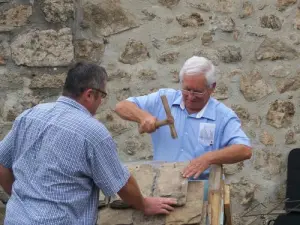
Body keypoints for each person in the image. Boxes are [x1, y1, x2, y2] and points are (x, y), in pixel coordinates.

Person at [0, 62, 176, 225]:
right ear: (90, 94)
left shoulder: (29, 115)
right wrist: (144, 205)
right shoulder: (93, 133)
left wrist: (20, 199)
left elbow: (2, 164)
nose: (101, 103)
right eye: (102, 96)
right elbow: (122, 184)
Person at [115, 56, 252, 180]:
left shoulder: (223, 116)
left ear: (212, 87)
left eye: (197, 91)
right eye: (187, 89)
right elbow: (121, 106)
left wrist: (208, 158)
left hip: (201, 188)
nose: (191, 97)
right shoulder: (164, 99)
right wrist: (143, 116)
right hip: (163, 184)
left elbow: (244, 150)